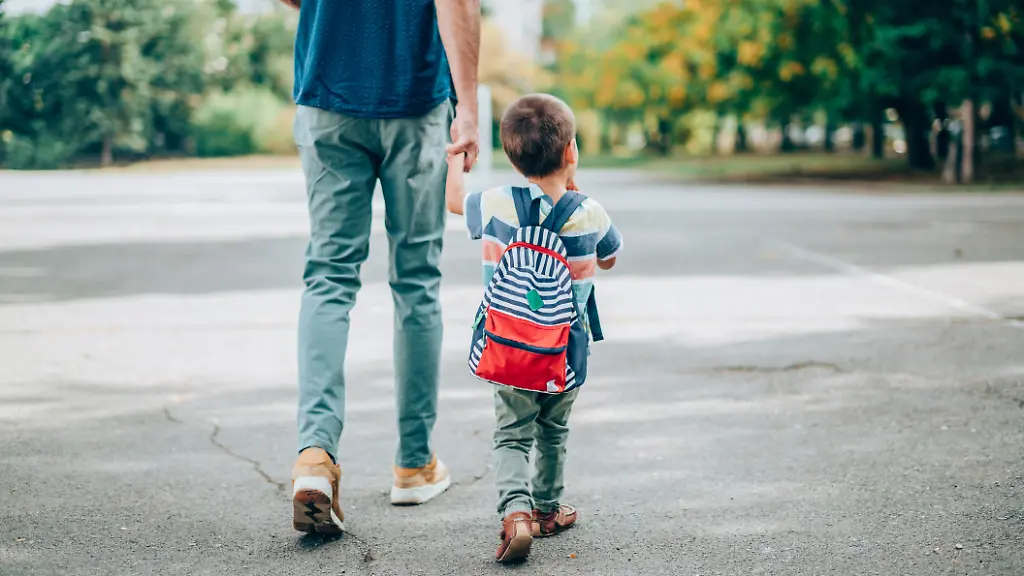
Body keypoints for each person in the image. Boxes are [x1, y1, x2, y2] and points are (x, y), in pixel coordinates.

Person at [283, 0, 481, 535]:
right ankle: (414, 465)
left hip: (328, 89)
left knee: (328, 275)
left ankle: (315, 456)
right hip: (413, 101)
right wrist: (468, 106)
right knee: (416, 280)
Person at [444, 94, 623, 562]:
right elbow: (608, 258)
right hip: (563, 352)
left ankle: (515, 514)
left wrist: (458, 157)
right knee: (553, 430)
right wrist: (574, 188)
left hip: (507, 351)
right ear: (571, 152)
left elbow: (453, 202)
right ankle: (546, 510)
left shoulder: (496, 204)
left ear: (511, 156)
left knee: (511, 434)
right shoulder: (591, 212)